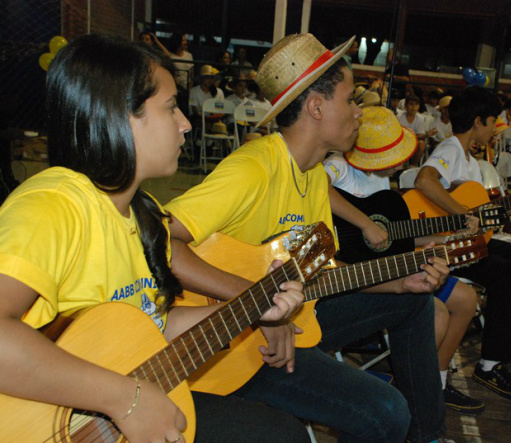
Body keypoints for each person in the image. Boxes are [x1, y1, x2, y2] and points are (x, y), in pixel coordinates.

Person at [0, 34, 310, 443]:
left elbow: (153, 327)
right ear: (120, 116)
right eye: (169, 108)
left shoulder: (143, 216)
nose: (185, 123)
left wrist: (255, 309)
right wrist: (124, 398)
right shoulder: (54, 205)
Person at [165, 33, 453, 443]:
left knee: (416, 301)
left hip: (291, 317)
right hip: (233, 348)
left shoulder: (314, 175)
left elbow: (319, 273)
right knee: (384, 411)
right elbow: (160, 241)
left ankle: (428, 436)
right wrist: (259, 305)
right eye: (351, 99)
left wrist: (399, 281)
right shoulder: (253, 169)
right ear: (316, 107)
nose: (359, 113)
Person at [324, 106, 486, 415]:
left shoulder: (384, 183)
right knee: (432, 311)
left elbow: (393, 237)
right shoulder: (337, 167)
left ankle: (426, 385)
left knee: (465, 300)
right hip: (349, 272)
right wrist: (364, 223)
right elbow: (312, 184)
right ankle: (407, 394)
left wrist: (441, 240)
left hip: (383, 264)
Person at [415, 86, 511, 404]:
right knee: (509, 273)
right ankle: (490, 365)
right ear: (478, 121)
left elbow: (486, 210)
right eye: (493, 122)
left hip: (471, 240)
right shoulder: (450, 149)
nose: (494, 129)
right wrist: (460, 213)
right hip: (452, 247)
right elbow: (424, 180)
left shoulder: (470, 160)